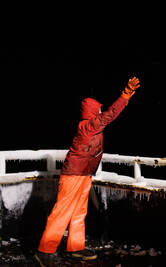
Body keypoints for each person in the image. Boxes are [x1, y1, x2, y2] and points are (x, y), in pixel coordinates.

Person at [34, 77, 140, 266]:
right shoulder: (87, 127)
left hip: (84, 174)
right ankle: (44, 251)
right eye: (98, 110)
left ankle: (75, 248)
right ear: (92, 112)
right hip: (73, 174)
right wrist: (125, 95)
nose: (101, 111)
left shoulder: (94, 128)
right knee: (62, 212)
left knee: (78, 212)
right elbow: (110, 115)